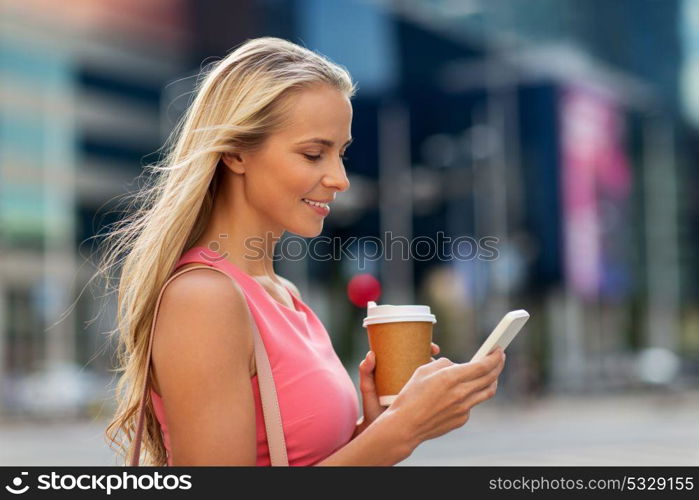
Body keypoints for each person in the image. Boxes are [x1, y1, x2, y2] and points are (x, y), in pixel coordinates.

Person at [101, 37, 506, 466]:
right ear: (236, 152)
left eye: (341, 153)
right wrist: (400, 432)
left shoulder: (283, 293)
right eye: (314, 154)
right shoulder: (204, 299)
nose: (340, 178)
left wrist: (376, 428)